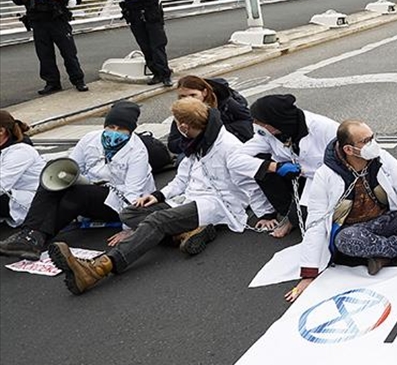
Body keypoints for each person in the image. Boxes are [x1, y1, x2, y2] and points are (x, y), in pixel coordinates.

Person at [48, 98, 265, 295]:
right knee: (130, 213)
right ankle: (184, 233)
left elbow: (249, 183)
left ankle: (99, 267)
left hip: (217, 204)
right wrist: (158, 196)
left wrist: (265, 213)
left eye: (178, 122)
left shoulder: (228, 146)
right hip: (190, 198)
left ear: (184, 125)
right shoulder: (196, 142)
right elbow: (181, 180)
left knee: (156, 221)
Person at [287, 121, 397, 301]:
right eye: (366, 141)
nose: (373, 144)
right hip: (358, 230)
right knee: (345, 240)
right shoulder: (324, 175)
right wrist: (309, 274)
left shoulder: (383, 158)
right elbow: (315, 223)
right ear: (349, 150)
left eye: (372, 137)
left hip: (390, 218)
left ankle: (383, 256)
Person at [0, 102, 154, 260]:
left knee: (79, 194)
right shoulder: (90, 139)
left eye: (121, 129)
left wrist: (129, 227)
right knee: (51, 181)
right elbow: (69, 167)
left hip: (120, 202)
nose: (114, 132)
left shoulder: (137, 152)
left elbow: (133, 192)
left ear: (131, 131)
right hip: (92, 189)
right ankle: (31, 235)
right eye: (111, 126)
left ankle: (38, 237)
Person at [241, 94, 338, 238]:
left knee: (316, 221)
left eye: (259, 122)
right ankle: (290, 214)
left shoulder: (325, 128)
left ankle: (298, 215)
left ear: (275, 120)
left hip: (330, 178)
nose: (256, 125)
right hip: (302, 176)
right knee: (260, 162)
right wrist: (273, 167)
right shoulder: (269, 134)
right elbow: (236, 158)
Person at [8, 0, 87, 94]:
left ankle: (78, 81)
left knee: (69, 53)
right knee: (45, 55)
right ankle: (52, 83)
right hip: (38, 23)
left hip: (58, 22)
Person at [116, 0, 171, 86]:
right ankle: (155, 73)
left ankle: (165, 74)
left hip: (152, 15)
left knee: (157, 45)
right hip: (135, 16)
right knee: (145, 46)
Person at [167, 76, 254, 154]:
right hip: (199, 149)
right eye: (183, 96)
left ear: (204, 92)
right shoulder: (182, 110)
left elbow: (249, 120)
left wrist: (215, 131)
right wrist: (189, 137)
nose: (189, 99)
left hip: (228, 143)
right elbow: (173, 144)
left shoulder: (226, 103)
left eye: (193, 95)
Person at [0, 111, 44, 235]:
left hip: (30, 200)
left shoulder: (21, 151)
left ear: (1, 131)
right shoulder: (4, 149)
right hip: (11, 195)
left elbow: (2, 184)